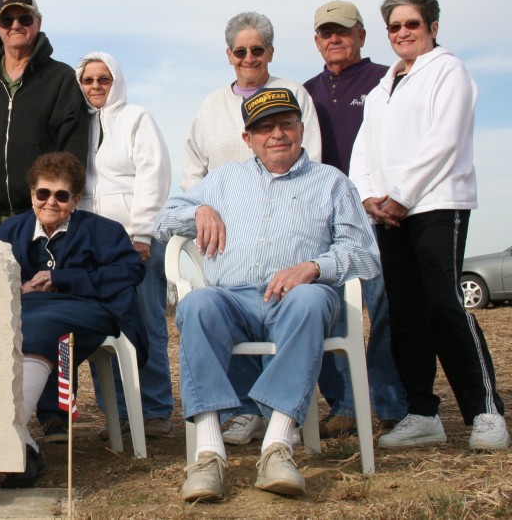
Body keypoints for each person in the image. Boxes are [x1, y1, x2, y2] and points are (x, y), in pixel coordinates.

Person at [156, 87, 379, 501]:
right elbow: (164, 220)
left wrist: (314, 267)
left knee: (311, 300)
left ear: (300, 129)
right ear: (249, 139)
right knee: (197, 303)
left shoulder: (331, 182)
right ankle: (208, 454)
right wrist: (197, 211)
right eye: (263, 127)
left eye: (284, 124)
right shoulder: (222, 180)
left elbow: (364, 254)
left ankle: (277, 446)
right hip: (232, 300)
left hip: (298, 298)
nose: (275, 134)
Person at [350, 0, 508, 451]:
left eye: (411, 24)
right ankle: (423, 413)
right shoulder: (383, 87)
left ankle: (485, 411)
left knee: (444, 303)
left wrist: (401, 194)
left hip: (437, 204)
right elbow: (364, 148)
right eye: (394, 27)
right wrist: (368, 197)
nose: (402, 33)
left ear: (432, 28)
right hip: (387, 214)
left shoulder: (449, 71)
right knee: (405, 313)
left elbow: (445, 139)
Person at [180, 11, 322, 445]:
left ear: (270, 53)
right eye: (240, 51)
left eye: (257, 50)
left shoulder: (293, 94)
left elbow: (308, 159)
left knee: (301, 299)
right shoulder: (210, 106)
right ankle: (241, 411)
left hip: (288, 216)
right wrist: (204, 207)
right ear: (229, 55)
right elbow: (191, 172)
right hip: (224, 227)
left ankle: (281, 415)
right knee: (220, 299)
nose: (248, 57)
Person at [0, 152, 145, 488]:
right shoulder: (8, 231)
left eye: (62, 196)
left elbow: (130, 270)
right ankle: (18, 443)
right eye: (42, 193)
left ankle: (6, 437)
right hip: (25, 309)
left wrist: (62, 278)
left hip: (87, 311)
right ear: (31, 193)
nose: (51, 202)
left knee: (41, 325)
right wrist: (19, 287)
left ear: (75, 199)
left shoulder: (104, 230)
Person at [303, 0, 406, 440]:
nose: (334, 39)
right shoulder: (305, 91)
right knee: (328, 314)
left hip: (374, 214)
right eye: (326, 33)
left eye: (343, 31)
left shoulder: (387, 79)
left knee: (385, 308)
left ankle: (390, 404)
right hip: (323, 221)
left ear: (362, 35)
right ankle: (344, 406)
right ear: (316, 41)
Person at [75, 52, 174, 439]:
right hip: (92, 242)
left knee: (146, 323)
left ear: (116, 81)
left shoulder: (137, 118)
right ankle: (115, 412)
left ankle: (154, 410)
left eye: (104, 79)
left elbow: (154, 174)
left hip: (134, 239)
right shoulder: (77, 123)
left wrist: (143, 232)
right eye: (88, 80)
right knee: (105, 326)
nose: (96, 86)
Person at [0, 0, 89, 238]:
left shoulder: (61, 79)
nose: (15, 25)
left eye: (24, 19)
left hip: (43, 224)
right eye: (7, 20)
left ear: (38, 23)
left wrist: (56, 214)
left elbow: (73, 154)